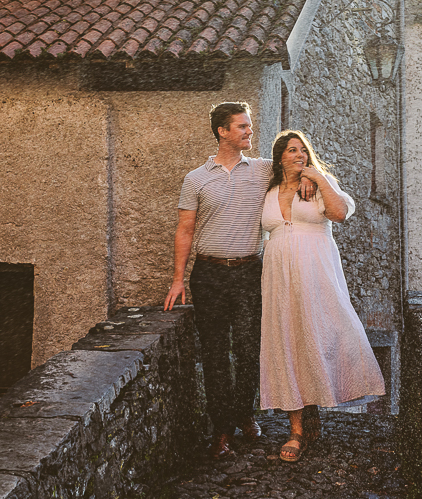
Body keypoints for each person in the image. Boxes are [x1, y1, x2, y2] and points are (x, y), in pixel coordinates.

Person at [163, 102, 312, 459]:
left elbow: (296, 166)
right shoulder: (196, 178)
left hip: (249, 272)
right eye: (242, 127)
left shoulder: (262, 170)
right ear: (222, 132)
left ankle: (245, 414)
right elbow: (185, 230)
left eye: (249, 126)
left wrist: (307, 178)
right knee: (215, 355)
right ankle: (221, 432)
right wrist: (177, 280)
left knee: (248, 350)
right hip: (209, 274)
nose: (249, 132)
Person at [259, 130, 385, 462]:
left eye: (303, 150)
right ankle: (296, 429)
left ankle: (316, 401)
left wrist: (316, 176)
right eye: (291, 150)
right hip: (278, 278)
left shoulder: (317, 185)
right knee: (287, 341)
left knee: (326, 333)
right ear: (279, 157)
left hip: (316, 273)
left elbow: (341, 213)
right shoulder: (269, 191)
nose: (298, 154)